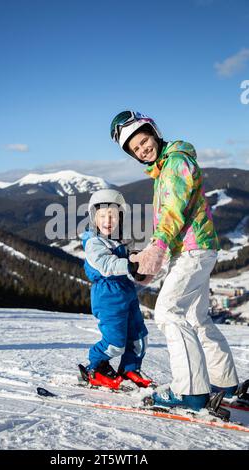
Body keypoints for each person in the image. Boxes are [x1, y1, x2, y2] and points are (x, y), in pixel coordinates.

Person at [110, 110, 239, 411]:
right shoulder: (164, 167)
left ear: (153, 132)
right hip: (195, 249)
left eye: (144, 141)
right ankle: (224, 383)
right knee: (197, 318)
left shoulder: (176, 163)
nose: (143, 149)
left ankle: (190, 392)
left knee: (168, 312)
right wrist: (157, 258)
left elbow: (173, 211)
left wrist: (156, 248)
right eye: (136, 149)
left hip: (194, 250)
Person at [80, 188, 153, 390]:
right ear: (94, 218)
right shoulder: (93, 242)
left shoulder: (119, 241)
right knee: (115, 343)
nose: (107, 220)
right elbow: (106, 264)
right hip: (107, 296)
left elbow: (127, 266)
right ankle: (95, 367)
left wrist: (138, 268)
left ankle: (130, 370)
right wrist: (128, 265)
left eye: (112, 215)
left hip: (126, 293)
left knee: (139, 338)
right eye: (102, 215)